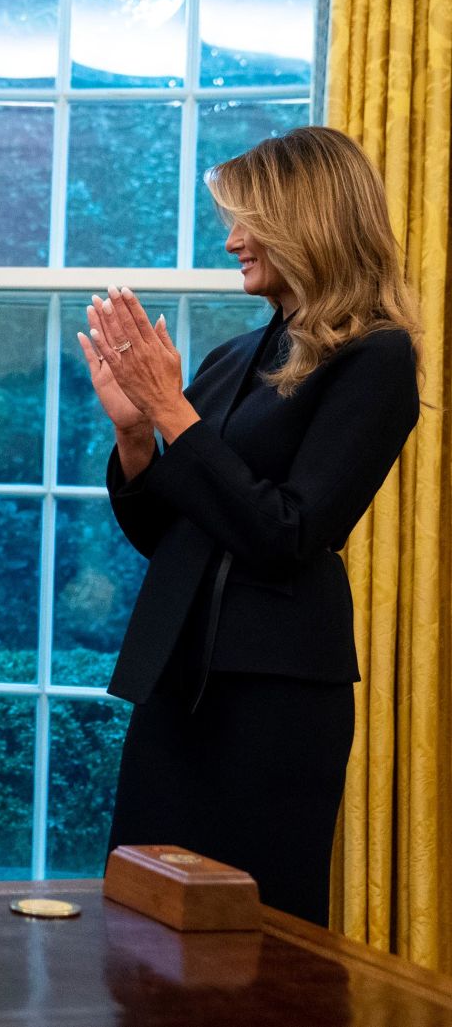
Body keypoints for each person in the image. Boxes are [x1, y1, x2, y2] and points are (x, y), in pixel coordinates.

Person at [79, 126, 420, 926]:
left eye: (247, 219)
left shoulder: (377, 357)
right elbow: (173, 539)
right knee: (143, 920)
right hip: (176, 686)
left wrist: (172, 411)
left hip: (276, 698)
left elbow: (286, 534)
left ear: (311, 220)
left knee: (255, 937)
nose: (231, 239)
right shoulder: (234, 354)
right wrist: (135, 436)